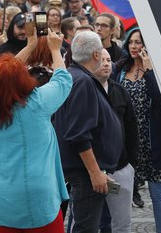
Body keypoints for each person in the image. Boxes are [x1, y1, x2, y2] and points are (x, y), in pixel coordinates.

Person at [0, 26, 73, 231]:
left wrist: (30, 46)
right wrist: (55, 50)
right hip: (35, 193)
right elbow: (63, 81)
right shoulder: (37, 103)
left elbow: (4, 76)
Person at [53, 31, 124, 233]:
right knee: (85, 228)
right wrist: (95, 173)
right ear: (96, 55)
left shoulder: (78, 76)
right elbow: (79, 134)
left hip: (88, 171)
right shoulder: (82, 81)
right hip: (85, 174)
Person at [114, 28, 161, 233]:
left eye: (138, 42)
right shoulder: (120, 69)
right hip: (127, 142)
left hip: (153, 141)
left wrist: (149, 71)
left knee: (158, 193)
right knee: (123, 192)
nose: (133, 46)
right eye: (130, 42)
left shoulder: (159, 70)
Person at [93, 49, 139, 233]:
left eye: (109, 60)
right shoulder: (84, 90)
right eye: (101, 60)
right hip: (91, 171)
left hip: (120, 168)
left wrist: (131, 164)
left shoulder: (120, 91)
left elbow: (131, 128)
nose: (106, 63)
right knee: (87, 223)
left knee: (122, 224)